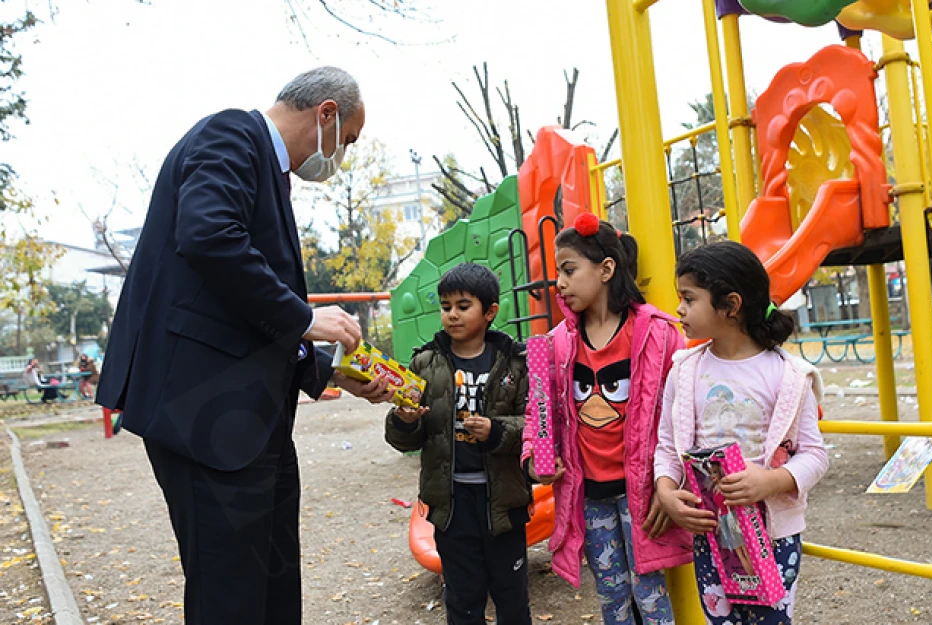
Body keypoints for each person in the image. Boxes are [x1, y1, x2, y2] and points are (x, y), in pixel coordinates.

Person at [96, 67, 383, 625]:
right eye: (346, 140)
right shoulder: (231, 134)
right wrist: (305, 317)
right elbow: (207, 236)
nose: (340, 156)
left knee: (273, 592)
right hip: (204, 419)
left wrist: (330, 370)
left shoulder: (268, 172)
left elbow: (236, 309)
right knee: (229, 600)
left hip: (251, 430)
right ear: (326, 113)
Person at [521, 213, 688, 625]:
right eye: (559, 271)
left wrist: (672, 484)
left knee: (650, 595)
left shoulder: (658, 334)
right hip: (588, 496)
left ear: (606, 269)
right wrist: (533, 457)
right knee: (611, 597)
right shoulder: (557, 343)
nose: (559, 282)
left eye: (569, 270)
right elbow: (539, 412)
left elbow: (683, 416)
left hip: (645, 496)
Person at [654, 241, 828, 625]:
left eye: (689, 298)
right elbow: (668, 447)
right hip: (712, 535)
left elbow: (815, 455)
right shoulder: (683, 371)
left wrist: (770, 481)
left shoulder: (788, 375)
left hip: (774, 535)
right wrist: (666, 492)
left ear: (730, 305)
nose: (679, 309)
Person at [379, 263, 532, 624]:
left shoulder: (514, 363)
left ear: (490, 311)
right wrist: (404, 421)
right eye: (446, 306)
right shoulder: (424, 363)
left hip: (504, 505)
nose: (452, 315)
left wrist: (496, 431)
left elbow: (534, 425)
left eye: (464, 306)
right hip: (451, 505)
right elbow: (404, 438)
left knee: (512, 598)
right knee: (463, 598)